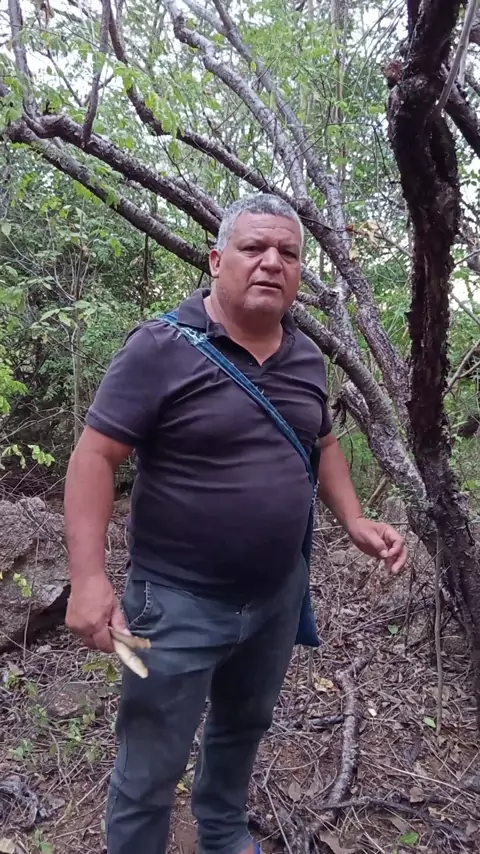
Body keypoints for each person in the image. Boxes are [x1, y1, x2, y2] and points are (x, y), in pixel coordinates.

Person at [64, 194, 407, 854]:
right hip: (174, 605)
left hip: (277, 597)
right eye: (254, 248)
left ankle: (222, 833)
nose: (272, 262)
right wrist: (88, 578)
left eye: (288, 253)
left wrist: (355, 517)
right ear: (217, 260)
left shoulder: (306, 356)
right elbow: (94, 458)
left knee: (242, 728)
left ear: (299, 272)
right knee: (151, 762)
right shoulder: (160, 348)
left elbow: (321, 440)